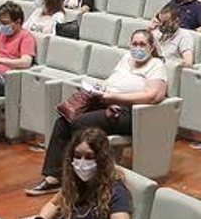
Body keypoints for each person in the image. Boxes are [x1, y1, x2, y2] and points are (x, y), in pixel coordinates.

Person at [30, 31, 168, 196]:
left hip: (131, 114)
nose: (137, 48)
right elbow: (111, 81)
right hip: (108, 104)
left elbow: (153, 96)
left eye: (142, 44)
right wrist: (99, 88)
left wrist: (114, 97)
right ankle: (54, 176)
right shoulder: (126, 59)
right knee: (64, 120)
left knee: (80, 123)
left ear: (151, 47)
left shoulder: (156, 65)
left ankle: (82, 176)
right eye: (134, 44)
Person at [23, 127, 134, 219]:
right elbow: (54, 204)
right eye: (77, 156)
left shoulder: (116, 191)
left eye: (89, 157)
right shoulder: (75, 182)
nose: (82, 162)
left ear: (102, 159)